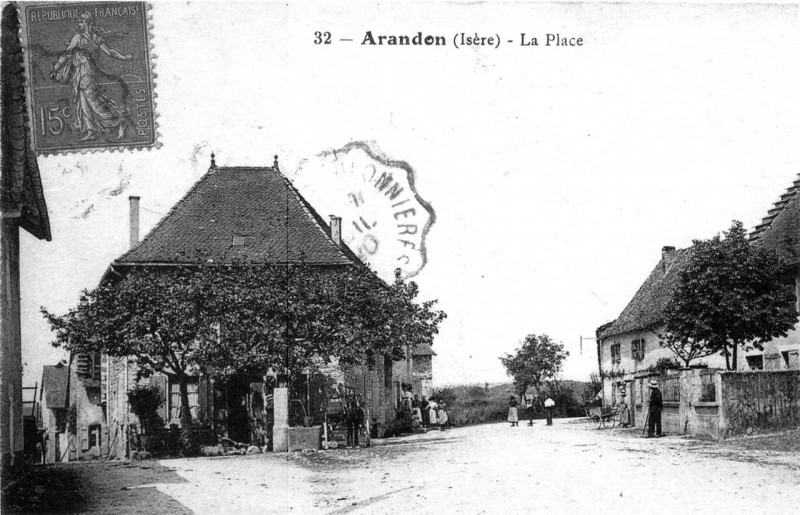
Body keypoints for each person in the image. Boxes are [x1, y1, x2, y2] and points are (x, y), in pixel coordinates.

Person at [51, 12, 133, 142]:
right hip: (83, 72)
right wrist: (124, 57)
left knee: (93, 101)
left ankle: (119, 121)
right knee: (83, 100)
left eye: (81, 22)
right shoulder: (93, 38)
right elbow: (109, 52)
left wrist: (56, 68)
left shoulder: (79, 38)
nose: (79, 24)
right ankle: (91, 131)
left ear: (88, 22)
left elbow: (67, 54)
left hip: (86, 72)